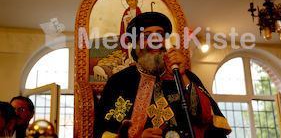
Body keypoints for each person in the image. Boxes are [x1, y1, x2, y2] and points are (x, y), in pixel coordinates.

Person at [94, 12, 231, 138]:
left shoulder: (186, 76)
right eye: (146, 36)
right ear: (136, 44)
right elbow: (102, 132)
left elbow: (207, 119)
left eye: (160, 35)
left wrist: (182, 77)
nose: (155, 40)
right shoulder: (119, 82)